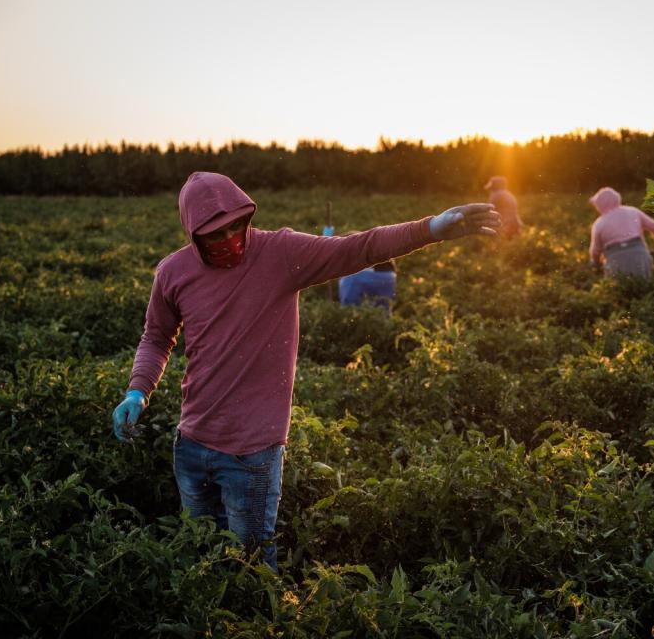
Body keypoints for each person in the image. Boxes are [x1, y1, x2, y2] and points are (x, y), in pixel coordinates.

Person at [110, 172, 500, 570]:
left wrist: (431, 229)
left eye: (236, 226)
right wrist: (137, 392)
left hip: (253, 453)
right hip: (191, 445)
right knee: (203, 559)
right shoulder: (173, 273)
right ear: (193, 233)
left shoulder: (280, 253)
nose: (229, 239)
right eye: (214, 234)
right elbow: (157, 337)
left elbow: (358, 248)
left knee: (252, 565)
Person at [588, 187, 654, 279]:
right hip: (640, 258)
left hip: (615, 263)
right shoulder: (632, 211)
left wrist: (595, 262)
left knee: (617, 286)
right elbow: (653, 226)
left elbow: (596, 249)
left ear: (599, 205)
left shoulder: (599, 223)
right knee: (644, 283)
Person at [338, 230, 398, 315]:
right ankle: (385, 324)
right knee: (383, 308)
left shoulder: (343, 243)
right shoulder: (361, 238)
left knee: (350, 306)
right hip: (389, 276)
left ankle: (349, 318)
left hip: (367, 275)